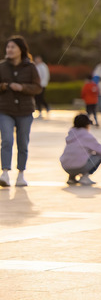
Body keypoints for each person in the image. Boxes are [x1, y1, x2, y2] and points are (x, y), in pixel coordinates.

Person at [0, 36, 42, 187]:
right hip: (5, 109)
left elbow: (38, 87)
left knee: (23, 143)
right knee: (6, 140)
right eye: (8, 47)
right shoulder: (2, 66)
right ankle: (4, 173)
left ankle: (21, 174)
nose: (9, 50)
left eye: (12, 47)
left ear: (21, 50)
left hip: (25, 111)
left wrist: (22, 88)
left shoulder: (30, 67)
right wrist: (4, 86)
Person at [59, 113, 101, 185]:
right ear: (86, 125)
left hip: (65, 167)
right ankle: (85, 177)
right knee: (99, 156)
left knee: (77, 155)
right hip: (79, 167)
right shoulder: (86, 136)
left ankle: (71, 178)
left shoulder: (71, 134)